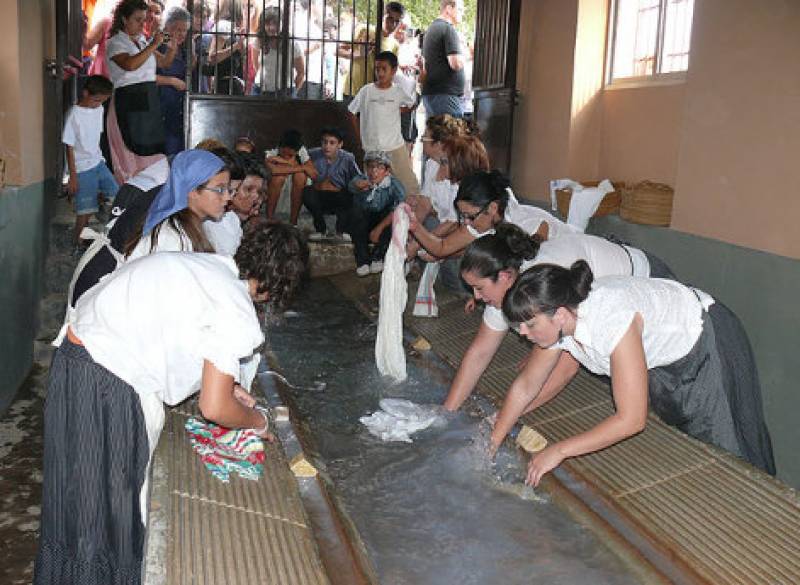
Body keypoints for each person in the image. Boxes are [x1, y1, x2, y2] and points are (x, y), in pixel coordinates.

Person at [34, 222, 309, 585]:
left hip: (72, 361)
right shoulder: (235, 303)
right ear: (277, 286)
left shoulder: (206, 268)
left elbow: (178, 336)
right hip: (105, 382)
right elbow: (213, 408)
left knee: (73, 498)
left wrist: (229, 388)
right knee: (105, 512)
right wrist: (256, 421)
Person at [493, 261, 776, 485]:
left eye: (529, 324)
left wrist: (559, 450)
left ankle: (769, 518)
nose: (522, 333)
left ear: (561, 315)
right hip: (665, 356)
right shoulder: (559, 320)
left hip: (708, 339)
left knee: (732, 445)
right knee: (691, 433)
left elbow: (631, 420)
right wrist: (492, 440)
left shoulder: (611, 320)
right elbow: (527, 385)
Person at [442, 222, 675, 412]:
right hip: (612, 293)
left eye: (479, 288)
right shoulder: (508, 283)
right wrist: (447, 413)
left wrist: (502, 418)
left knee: (659, 394)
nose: (477, 296)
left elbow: (566, 368)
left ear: (504, 277)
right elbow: (479, 353)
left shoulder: (547, 284)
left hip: (650, 282)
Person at [106, 0, 176, 181]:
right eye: (138, 20)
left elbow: (164, 63)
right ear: (124, 19)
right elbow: (130, 64)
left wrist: (172, 47)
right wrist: (153, 44)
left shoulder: (142, 41)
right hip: (128, 100)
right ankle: (130, 196)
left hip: (147, 100)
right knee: (132, 152)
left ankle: (149, 192)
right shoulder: (115, 42)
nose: (142, 24)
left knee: (152, 150)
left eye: (144, 20)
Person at [348, 50, 420, 205]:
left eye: (384, 69)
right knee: (371, 188)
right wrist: (360, 138)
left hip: (395, 146)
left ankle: (412, 219)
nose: (380, 73)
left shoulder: (398, 91)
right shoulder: (366, 91)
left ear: (394, 71)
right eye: (377, 69)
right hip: (372, 148)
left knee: (409, 186)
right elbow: (352, 112)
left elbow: (411, 104)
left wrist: (398, 110)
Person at [63, 74, 119, 252]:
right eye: (96, 100)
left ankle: (101, 216)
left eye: (102, 101)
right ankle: (78, 243)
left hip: (97, 162)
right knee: (84, 210)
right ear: (85, 93)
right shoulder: (74, 115)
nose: (98, 104)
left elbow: (96, 137)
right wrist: (72, 177)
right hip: (81, 168)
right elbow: (69, 147)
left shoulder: (99, 109)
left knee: (116, 194)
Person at [348, 150, 406, 276]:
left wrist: (379, 229)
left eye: (379, 167)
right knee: (356, 214)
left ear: (387, 170)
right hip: (366, 222)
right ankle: (362, 260)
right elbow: (351, 186)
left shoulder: (394, 185)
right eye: (370, 167)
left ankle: (378, 256)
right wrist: (359, 186)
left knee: (392, 216)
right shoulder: (362, 179)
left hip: (383, 223)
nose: (374, 172)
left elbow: (400, 207)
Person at [302, 126, 362, 240]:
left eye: (332, 143)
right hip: (319, 197)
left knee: (349, 192)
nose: (327, 146)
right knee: (307, 192)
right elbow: (295, 159)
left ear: (340, 144)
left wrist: (358, 184)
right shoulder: (312, 154)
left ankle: (340, 231)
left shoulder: (348, 158)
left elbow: (357, 177)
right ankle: (321, 230)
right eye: (324, 142)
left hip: (339, 199)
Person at [204, 152, 269, 255]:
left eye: (259, 192)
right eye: (248, 189)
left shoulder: (233, 219)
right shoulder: (213, 222)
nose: (256, 198)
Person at [421, 0, 465, 118]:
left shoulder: (431, 29)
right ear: (449, 9)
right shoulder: (448, 29)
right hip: (446, 97)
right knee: (450, 135)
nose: (463, 13)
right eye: (460, 10)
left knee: (436, 134)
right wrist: (465, 54)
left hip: (433, 95)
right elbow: (455, 63)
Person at [156, 6, 191, 155]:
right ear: (167, 28)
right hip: (160, 105)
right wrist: (171, 81)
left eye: (185, 30)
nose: (182, 34)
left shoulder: (184, 49)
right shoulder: (157, 45)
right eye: (178, 30)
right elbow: (144, 76)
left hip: (176, 108)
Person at [254, 6, 305, 98]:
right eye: (267, 24)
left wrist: (292, 93)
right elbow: (256, 66)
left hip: (285, 91)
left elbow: (301, 72)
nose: (272, 27)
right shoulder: (259, 41)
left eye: (276, 24)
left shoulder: (292, 44)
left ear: (283, 24)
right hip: (260, 90)